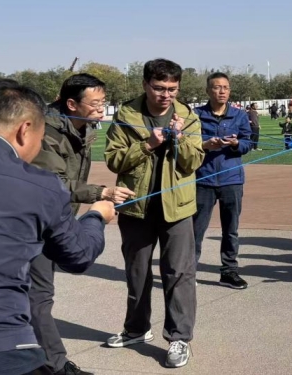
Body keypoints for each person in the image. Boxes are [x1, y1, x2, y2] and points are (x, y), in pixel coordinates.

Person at [0, 78, 115, 375]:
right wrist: (96, 217)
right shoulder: (39, 185)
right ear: (25, 130)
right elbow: (78, 255)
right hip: (1, 347)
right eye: (40, 136)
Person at [28, 74, 135, 375]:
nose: (102, 108)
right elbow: (54, 184)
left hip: (54, 217)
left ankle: (30, 359)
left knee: (33, 296)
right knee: (38, 296)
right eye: (95, 103)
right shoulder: (45, 131)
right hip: (33, 223)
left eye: (103, 101)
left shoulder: (81, 127)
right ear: (72, 104)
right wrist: (101, 194)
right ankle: (54, 366)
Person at [104, 59, 204, 368]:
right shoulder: (126, 115)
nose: (166, 95)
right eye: (159, 88)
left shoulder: (188, 116)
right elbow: (114, 160)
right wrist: (147, 144)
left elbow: (194, 162)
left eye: (172, 89)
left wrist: (181, 139)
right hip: (137, 207)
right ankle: (136, 329)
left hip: (178, 208)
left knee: (179, 273)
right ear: (146, 84)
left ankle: (178, 337)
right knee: (137, 272)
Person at [193, 72, 252, 289]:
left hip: (231, 180)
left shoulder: (239, 115)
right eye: (217, 87)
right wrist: (205, 144)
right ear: (208, 90)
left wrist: (236, 144)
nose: (222, 91)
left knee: (231, 229)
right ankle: (188, 272)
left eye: (225, 87)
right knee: (196, 229)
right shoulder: (196, 115)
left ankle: (229, 271)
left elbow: (248, 143)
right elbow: (187, 143)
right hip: (203, 179)